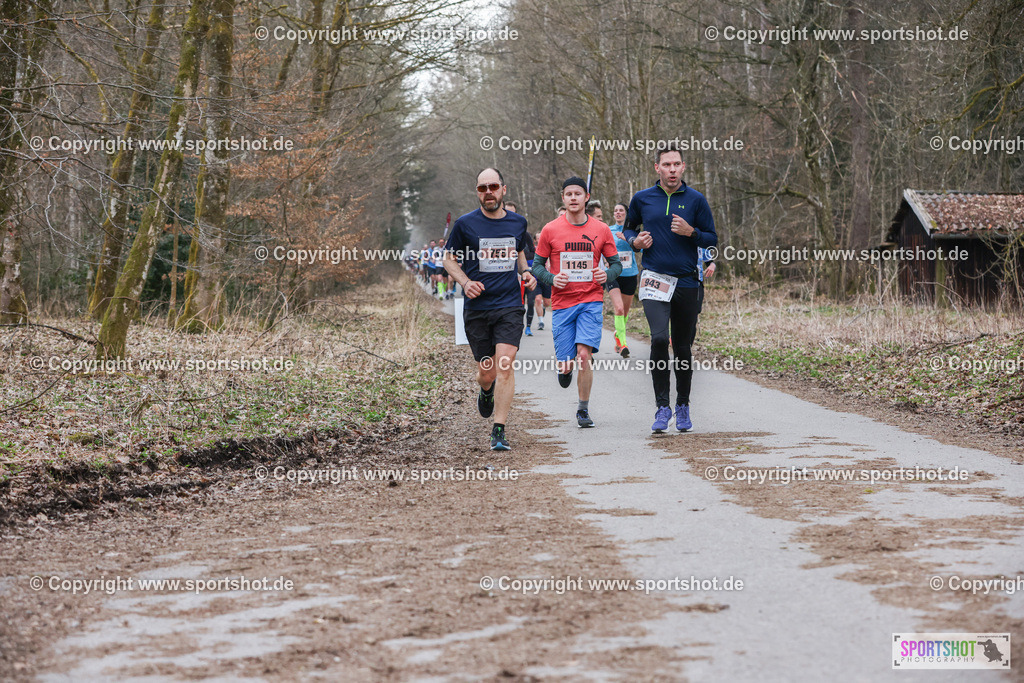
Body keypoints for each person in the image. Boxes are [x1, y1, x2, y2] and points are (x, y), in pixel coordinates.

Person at [623, 144, 717, 433]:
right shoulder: (642, 199)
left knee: (683, 346)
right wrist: (634, 242)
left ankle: (683, 406)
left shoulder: (696, 200)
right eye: (667, 165)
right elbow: (628, 229)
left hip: (687, 281)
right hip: (655, 279)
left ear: (683, 167)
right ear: (657, 168)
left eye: (677, 164)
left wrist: (692, 233)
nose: (672, 170)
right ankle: (662, 406)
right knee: (660, 340)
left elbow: (711, 239)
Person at [444, 168, 536, 450]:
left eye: (493, 187)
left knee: (505, 365)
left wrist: (527, 273)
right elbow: (448, 259)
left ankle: (499, 429)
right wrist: (465, 281)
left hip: (509, 305)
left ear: (503, 189)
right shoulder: (465, 224)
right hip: (477, 308)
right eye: (482, 188)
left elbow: (519, 253)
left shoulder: (518, 223)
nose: (488, 193)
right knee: (488, 372)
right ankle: (486, 390)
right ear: (477, 192)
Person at [532, 177, 621, 428]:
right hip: (562, 303)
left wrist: (608, 274)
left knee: (584, 355)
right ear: (563, 198)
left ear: (586, 197)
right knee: (567, 361)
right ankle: (564, 369)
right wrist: (551, 278)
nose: (573, 198)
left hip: (591, 300)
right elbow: (537, 266)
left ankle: (583, 409)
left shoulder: (601, 229)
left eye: (578, 193)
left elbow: (616, 265)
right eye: (568, 194)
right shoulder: (550, 230)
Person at [606, 202, 640, 357]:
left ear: (626, 213)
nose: (618, 213)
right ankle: (623, 343)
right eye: (615, 210)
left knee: (624, 312)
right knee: (618, 308)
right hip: (613, 274)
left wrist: (627, 239)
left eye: (621, 210)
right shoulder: (608, 230)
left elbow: (639, 248)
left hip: (630, 274)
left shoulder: (632, 231)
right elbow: (601, 248)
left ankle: (618, 336)